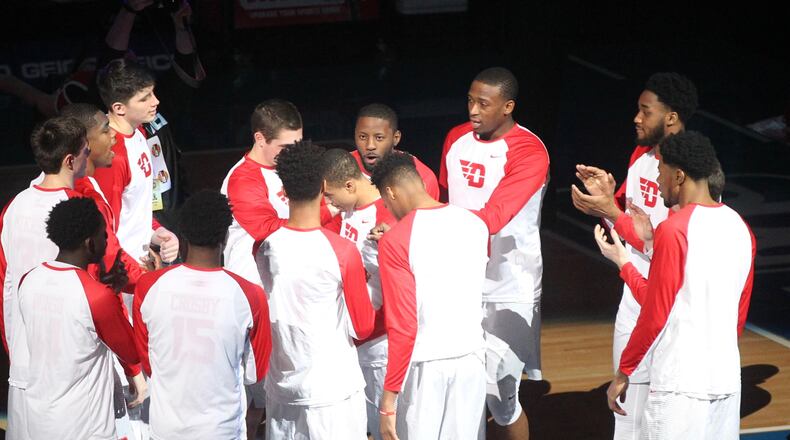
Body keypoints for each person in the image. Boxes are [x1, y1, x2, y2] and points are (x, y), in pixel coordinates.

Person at [594, 131, 755, 439]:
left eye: (661, 170)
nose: (656, 180)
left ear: (679, 175)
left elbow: (656, 312)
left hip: (680, 386)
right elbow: (739, 313)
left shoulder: (674, 229)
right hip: (726, 382)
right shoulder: (741, 227)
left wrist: (624, 371)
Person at [569, 72, 700, 438]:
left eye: (645, 111)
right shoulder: (641, 155)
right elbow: (632, 219)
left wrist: (610, 212)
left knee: (661, 417)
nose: (636, 118)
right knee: (625, 411)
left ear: (671, 117)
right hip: (633, 294)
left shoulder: (690, 173)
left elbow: (662, 245)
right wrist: (605, 196)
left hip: (667, 304)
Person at [0, 116, 145, 438]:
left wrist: (16, 350)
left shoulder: (13, 208)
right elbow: (101, 285)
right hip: (76, 361)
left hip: (26, 360)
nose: (89, 153)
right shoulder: (79, 210)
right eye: (84, 150)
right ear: (70, 159)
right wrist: (133, 368)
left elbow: (5, 287)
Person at [439, 66, 549, 439]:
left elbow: (494, 216)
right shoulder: (455, 138)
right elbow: (442, 196)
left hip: (510, 286)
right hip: (460, 283)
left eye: (483, 104)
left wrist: (427, 230)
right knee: (462, 386)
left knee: (499, 393)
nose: (473, 110)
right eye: (470, 100)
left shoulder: (530, 152)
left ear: (507, 107)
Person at [255, 141, 375, 439]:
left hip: (282, 388)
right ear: (324, 184)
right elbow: (362, 327)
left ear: (284, 187)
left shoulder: (264, 246)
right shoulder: (342, 250)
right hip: (332, 391)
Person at [132, 190, 271, 439]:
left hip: (166, 430)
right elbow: (254, 374)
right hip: (222, 430)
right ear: (226, 237)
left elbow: (148, 362)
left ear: (182, 235)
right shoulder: (251, 295)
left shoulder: (148, 286)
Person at [374, 152, 489, 440]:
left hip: (425, 368)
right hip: (472, 361)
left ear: (390, 192)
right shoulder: (475, 224)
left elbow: (403, 325)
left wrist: (388, 399)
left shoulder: (396, 241)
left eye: (386, 203)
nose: (388, 208)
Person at [18, 197, 141, 439]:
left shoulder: (28, 279)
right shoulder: (95, 296)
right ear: (89, 243)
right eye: (103, 235)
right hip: (83, 424)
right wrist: (116, 295)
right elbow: (133, 351)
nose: (107, 241)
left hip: (38, 417)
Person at [320, 148, 395, 439]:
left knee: (386, 426)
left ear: (350, 185)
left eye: (330, 196)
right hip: (352, 339)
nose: (328, 203)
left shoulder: (386, 213)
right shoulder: (346, 212)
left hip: (380, 341)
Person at [94, 59, 179, 267]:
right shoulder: (111, 155)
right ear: (119, 108)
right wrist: (130, 271)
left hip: (138, 267)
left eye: (153, 93)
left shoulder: (139, 133)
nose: (155, 101)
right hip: (121, 274)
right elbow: (104, 230)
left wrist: (157, 232)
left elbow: (132, 210)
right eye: (144, 98)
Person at [221, 99, 305, 286]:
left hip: (286, 283)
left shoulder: (293, 166)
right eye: (285, 147)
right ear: (260, 139)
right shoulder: (242, 179)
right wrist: (323, 214)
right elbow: (266, 229)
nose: (293, 153)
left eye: (297, 144)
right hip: (253, 286)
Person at [351, 103, 439, 199]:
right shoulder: (337, 170)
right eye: (363, 137)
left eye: (379, 138)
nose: (370, 146)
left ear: (396, 138)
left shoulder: (421, 177)